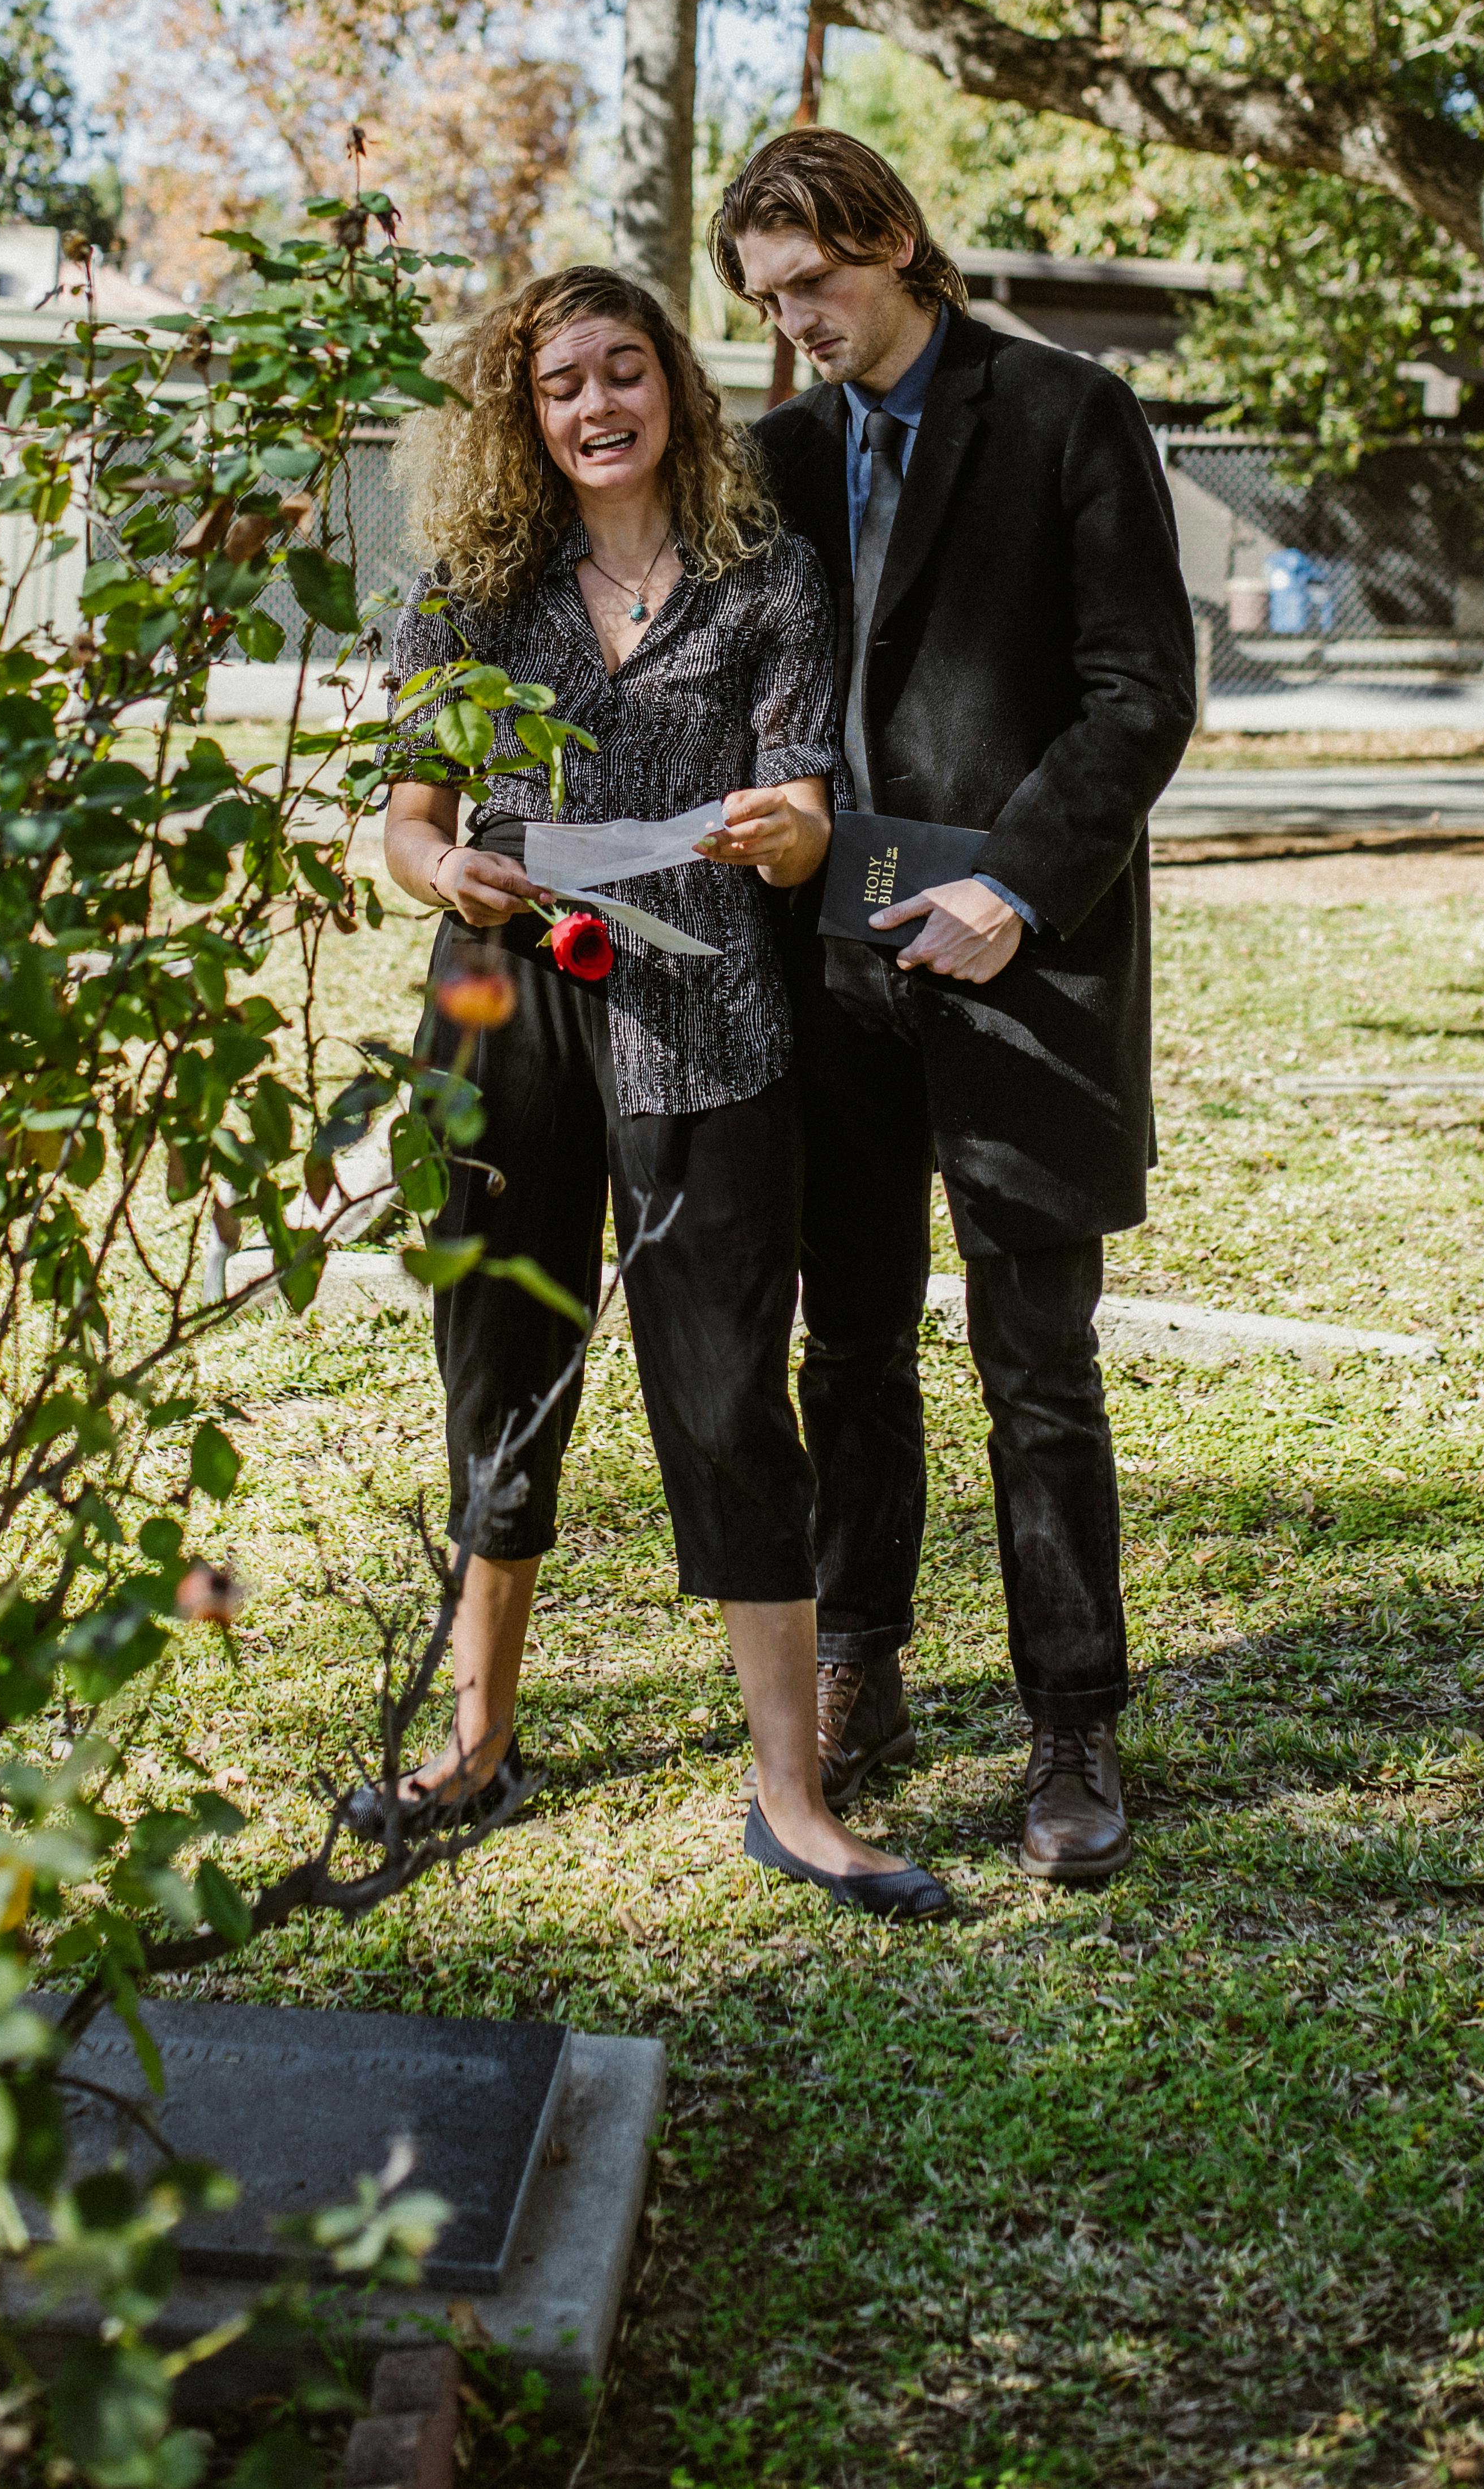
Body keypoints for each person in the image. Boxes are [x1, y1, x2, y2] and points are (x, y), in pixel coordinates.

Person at [368, 262, 953, 1922]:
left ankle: (795, 1791)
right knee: (501, 1357)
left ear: (677, 392)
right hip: (505, 1004)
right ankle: (477, 1743)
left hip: (708, 1019)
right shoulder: (474, 581)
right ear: (525, 412)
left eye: (626, 371)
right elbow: (405, 817)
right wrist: (442, 867)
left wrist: (788, 828)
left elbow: (805, 800)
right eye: (563, 384)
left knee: (723, 1392)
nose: (597, 406)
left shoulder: (766, 582)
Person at [713, 132, 1196, 1885]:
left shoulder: (1070, 416)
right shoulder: (768, 455)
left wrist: (1014, 884)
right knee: (845, 1347)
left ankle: (1072, 1720)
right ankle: (862, 1666)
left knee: (1038, 1361)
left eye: (815, 285)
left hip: (1023, 960)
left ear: (895, 239)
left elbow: (1144, 690)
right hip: (830, 977)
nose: (798, 327)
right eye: (768, 303)